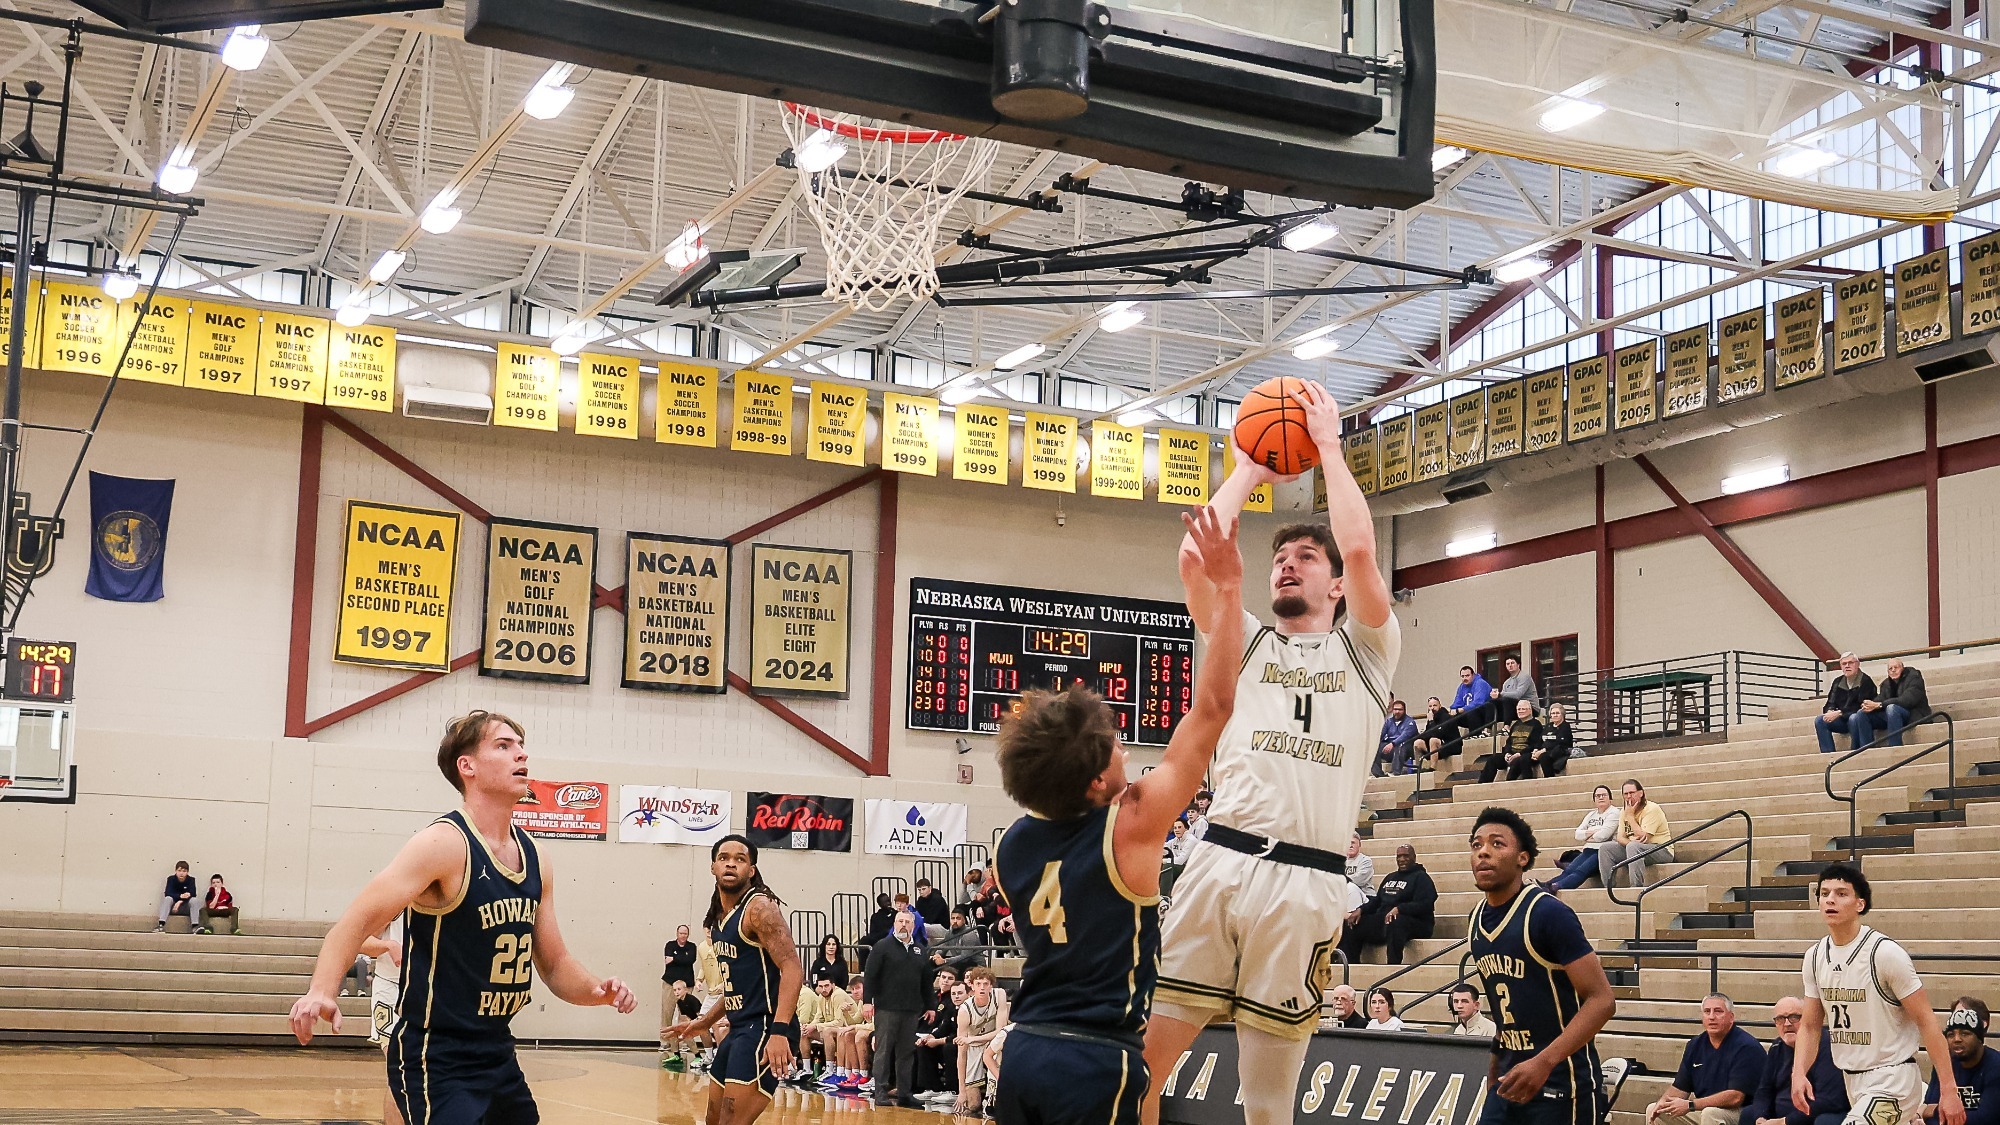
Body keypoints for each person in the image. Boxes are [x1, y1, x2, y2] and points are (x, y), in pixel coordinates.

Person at [1145, 382, 1400, 1125]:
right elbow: (1196, 562)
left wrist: (1328, 447)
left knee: (1268, 1106)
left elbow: (1361, 547)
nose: (1288, 564)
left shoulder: (1368, 650)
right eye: (1280, 556)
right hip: (1218, 863)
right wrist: (1249, 469)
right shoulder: (1244, 637)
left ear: (1337, 585)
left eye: (1306, 557)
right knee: (1139, 1074)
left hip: (1305, 882)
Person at [991, 501, 1244, 1125]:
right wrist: (1229, 587)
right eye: (1114, 747)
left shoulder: (1009, 848)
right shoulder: (1130, 823)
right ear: (1099, 780)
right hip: (1096, 1059)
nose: (1125, 748)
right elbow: (1213, 707)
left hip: (1024, 1049)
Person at [288, 710, 638, 1125]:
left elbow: (555, 963)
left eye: (521, 746)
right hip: (436, 1052)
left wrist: (597, 990)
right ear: (467, 766)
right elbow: (352, 926)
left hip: (497, 1049)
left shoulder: (536, 857)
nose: (521, 754)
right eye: (503, 746)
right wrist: (321, 991)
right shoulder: (443, 844)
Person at [1466, 806, 1618, 1125]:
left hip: (1561, 1088)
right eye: (1477, 844)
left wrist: (1544, 1061)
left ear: (1522, 858)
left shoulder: (1548, 914)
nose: (1483, 852)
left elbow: (1602, 1000)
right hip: (1508, 1084)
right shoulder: (1476, 919)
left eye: (1497, 843)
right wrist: (1494, 1068)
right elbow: (1507, 1009)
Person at [1794, 863, 1964, 1125]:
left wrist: (1949, 1090)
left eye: (1841, 893)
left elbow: (1926, 1021)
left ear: (1860, 904)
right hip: (1853, 1079)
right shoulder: (1814, 956)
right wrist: (1798, 1073)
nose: (1830, 899)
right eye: (1824, 893)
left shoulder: (1884, 953)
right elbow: (1810, 1025)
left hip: (1894, 1078)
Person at [666, 834, 805, 1125]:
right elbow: (737, 988)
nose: (731, 864)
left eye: (739, 859)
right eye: (724, 858)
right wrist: (704, 1022)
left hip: (766, 1026)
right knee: (713, 1118)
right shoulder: (718, 918)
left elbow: (792, 968)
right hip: (740, 1027)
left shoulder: (759, 909)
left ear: (751, 870)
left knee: (731, 1121)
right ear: (713, 867)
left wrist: (779, 1032)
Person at [1646, 994, 1764, 1125]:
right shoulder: (1695, 1045)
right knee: (1655, 1110)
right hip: (1704, 1109)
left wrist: (1691, 1105)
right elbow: (1680, 1088)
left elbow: (1735, 1098)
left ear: (1731, 1017)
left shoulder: (1746, 1047)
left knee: (1710, 1113)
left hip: (1746, 1113)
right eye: (1707, 1011)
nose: (1712, 1017)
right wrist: (1662, 1103)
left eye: (1718, 1011)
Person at [862, 908, 929, 1107]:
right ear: (894, 924)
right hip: (886, 1009)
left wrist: (931, 1006)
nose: (903, 925)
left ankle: (904, 1093)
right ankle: (880, 1092)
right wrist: (867, 1001)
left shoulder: (920, 950)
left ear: (913, 926)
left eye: (907, 922)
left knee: (906, 1053)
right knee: (883, 1052)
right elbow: (870, 976)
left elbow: (926, 981)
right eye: (900, 921)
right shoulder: (882, 947)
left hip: (911, 1010)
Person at [1748, 995, 1848, 1125]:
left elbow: (1829, 1101)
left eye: (1794, 1017)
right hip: (1780, 1116)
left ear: (1807, 1019)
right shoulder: (1777, 1046)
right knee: (1748, 1114)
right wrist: (1761, 1117)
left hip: (1811, 1116)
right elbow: (1764, 1090)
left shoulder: (1827, 1046)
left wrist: (1785, 1122)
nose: (1787, 1024)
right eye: (1780, 1019)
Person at [1342, 844, 1437, 965]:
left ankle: (1392, 966)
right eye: (1399, 856)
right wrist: (1360, 910)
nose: (1402, 859)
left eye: (1406, 856)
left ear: (1414, 857)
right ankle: (1351, 965)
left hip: (1416, 923)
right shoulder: (1390, 877)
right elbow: (1377, 901)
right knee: (1353, 923)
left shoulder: (1422, 878)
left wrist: (1399, 909)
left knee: (1396, 922)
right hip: (1386, 920)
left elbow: (1425, 904)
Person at [1925, 1001, 2000, 1125]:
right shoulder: (1945, 1063)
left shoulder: (1996, 1065)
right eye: (1951, 1035)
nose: (1957, 1039)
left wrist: (1935, 1111)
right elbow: (1929, 1114)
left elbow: (1986, 1119)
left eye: (1965, 1033)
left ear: (1979, 1038)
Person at [1600, 779, 1675, 889]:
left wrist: (1630, 817)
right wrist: (1630, 844)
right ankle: (1608, 888)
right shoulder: (1624, 811)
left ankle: (1636, 887)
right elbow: (1620, 837)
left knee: (1633, 847)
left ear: (1641, 793)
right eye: (1626, 794)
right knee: (1605, 848)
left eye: (1632, 793)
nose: (1629, 797)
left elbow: (1644, 838)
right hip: (1636, 849)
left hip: (1661, 849)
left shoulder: (1651, 809)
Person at [1546, 786, 1620, 892]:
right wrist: (1595, 832)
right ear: (1594, 800)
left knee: (1580, 871)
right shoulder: (1591, 815)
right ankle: (1546, 885)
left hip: (1601, 852)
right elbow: (1577, 834)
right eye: (1597, 796)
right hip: (1588, 850)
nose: (1601, 797)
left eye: (1604, 795)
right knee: (1569, 870)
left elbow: (1603, 836)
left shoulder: (1614, 813)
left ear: (1610, 798)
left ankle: (1557, 886)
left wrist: (1587, 835)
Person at [956, 966, 1009, 1115]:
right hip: (973, 1047)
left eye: (986, 984)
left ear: (991, 985)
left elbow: (1001, 1031)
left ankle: (998, 1094)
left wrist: (972, 1039)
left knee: (1003, 1046)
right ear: (971, 986)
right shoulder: (964, 1010)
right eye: (978, 984)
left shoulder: (999, 995)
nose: (982, 987)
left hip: (995, 1044)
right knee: (973, 1105)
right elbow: (961, 1053)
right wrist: (961, 1091)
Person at [1815, 653, 1879, 754]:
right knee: (1820, 720)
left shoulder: (1865, 681)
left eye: (1850, 663)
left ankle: (1855, 751)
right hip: (1842, 720)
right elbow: (1830, 702)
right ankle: (1828, 755)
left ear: (1857, 664)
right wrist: (1830, 710)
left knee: (1854, 718)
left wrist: (1840, 713)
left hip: (1858, 719)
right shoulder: (1837, 682)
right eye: (1844, 664)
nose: (1847, 666)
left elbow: (1862, 706)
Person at [1859, 660, 1930, 751]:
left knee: (1891, 708)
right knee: (1862, 713)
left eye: (1896, 667)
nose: (1893, 670)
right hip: (1892, 717)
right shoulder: (1886, 683)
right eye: (1890, 669)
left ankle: (1894, 748)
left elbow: (1907, 700)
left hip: (1913, 714)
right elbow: (1881, 698)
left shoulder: (1914, 678)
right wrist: (1869, 705)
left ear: (1902, 668)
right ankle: (1866, 750)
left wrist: (1880, 705)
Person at [912, 969, 961, 1099]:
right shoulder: (933, 997)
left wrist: (937, 1040)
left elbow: (957, 1033)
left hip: (957, 1041)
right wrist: (930, 1037)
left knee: (949, 1048)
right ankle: (932, 1087)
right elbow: (944, 1027)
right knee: (923, 1045)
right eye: (943, 977)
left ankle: (952, 1090)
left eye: (950, 978)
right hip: (939, 1036)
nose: (945, 981)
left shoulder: (959, 1006)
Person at [1480, 699, 1545, 784]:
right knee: (1492, 760)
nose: (1520, 711)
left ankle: (1510, 785)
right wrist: (1507, 753)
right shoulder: (1515, 725)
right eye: (1518, 709)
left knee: (1518, 761)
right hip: (1512, 754)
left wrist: (1519, 754)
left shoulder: (1536, 725)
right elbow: (1509, 742)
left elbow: (1535, 745)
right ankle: (1482, 784)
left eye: (1523, 709)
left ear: (1530, 710)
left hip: (1525, 755)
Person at [664, 924, 699, 1048]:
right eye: (681, 933)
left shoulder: (692, 946)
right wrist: (682, 958)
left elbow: (690, 960)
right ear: (677, 934)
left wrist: (674, 958)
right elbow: (668, 960)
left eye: (685, 934)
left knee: (685, 1014)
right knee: (667, 1012)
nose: (683, 936)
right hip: (669, 983)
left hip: (686, 984)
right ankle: (665, 1041)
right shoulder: (670, 945)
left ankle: (684, 1041)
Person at [664, 980, 710, 1072]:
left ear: (685, 990)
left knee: (686, 1035)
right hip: (692, 1022)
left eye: (679, 989)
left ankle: (698, 1056)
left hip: (701, 1023)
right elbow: (685, 1017)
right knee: (673, 1033)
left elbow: (700, 1016)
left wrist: (691, 1025)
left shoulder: (692, 1000)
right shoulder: (679, 1002)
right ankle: (677, 1055)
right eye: (674, 990)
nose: (676, 992)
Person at [930, 909, 985, 976]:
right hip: (959, 962)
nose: (955, 921)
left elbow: (965, 957)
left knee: (959, 964)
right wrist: (937, 956)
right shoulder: (949, 933)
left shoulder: (969, 934)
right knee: (932, 962)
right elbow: (942, 948)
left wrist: (945, 961)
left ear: (964, 921)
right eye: (953, 918)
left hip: (975, 965)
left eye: (958, 918)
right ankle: (928, 982)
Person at [1376, 700, 1419, 777]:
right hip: (1391, 748)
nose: (1397, 712)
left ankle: (1396, 772)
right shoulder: (1389, 722)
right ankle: (1378, 774)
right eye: (1395, 709)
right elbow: (1381, 735)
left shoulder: (1410, 722)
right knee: (1374, 747)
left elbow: (1404, 736)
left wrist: (1393, 743)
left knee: (1400, 745)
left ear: (1404, 710)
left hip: (1406, 748)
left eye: (1400, 709)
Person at [1418, 696, 1461, 769]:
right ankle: (1418, 767)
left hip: (1452, 745)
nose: (1432, 708)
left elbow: (1438, 734)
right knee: (1418, 742)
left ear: (1440, 706)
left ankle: (1433, 767)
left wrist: (1431, 722)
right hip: (1439, 746)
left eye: (1435, 705)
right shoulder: (1432, 718)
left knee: (1433, 740)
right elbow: (1427, 734)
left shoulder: (1446, 717)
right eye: (1430, 706)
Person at [155, 860, 197, 932]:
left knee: (194, 900)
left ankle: (195, 926)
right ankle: (161, 924)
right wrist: (180, 896)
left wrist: (180, 902)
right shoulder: (171, 879)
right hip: (172, 907)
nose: (181, 873)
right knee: (168, 899)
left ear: (187, 872)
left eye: (184, 871)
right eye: (179, 870)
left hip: (185, 907)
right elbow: (168, 893)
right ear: (176, 871)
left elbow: (193, 893)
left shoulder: (191, 880)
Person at [1537, 703, 1576, 777]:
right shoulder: (1548, 726)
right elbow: (1540, 740)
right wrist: (1536, 750)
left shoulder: (1565, 726)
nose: (1555, 715)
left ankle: (1549, 778)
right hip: (1544, 751)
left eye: (1557, 713)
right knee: (1525, 758)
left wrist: (1543, 750)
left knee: (1544, 757)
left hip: (1560, 750)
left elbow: (1559, 742)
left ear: (1562, 715)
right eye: (1553, 713)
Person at [1345, 832, 1377, 899]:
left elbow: (1358, 880)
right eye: (1348, 843)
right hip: (1346, 895)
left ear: (1359, 844)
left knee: (1351, 887)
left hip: (1366, 896)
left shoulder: (1365, 860)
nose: (1350, 846)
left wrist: (1339, 881)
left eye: (1353, 843)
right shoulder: (1341, 861)